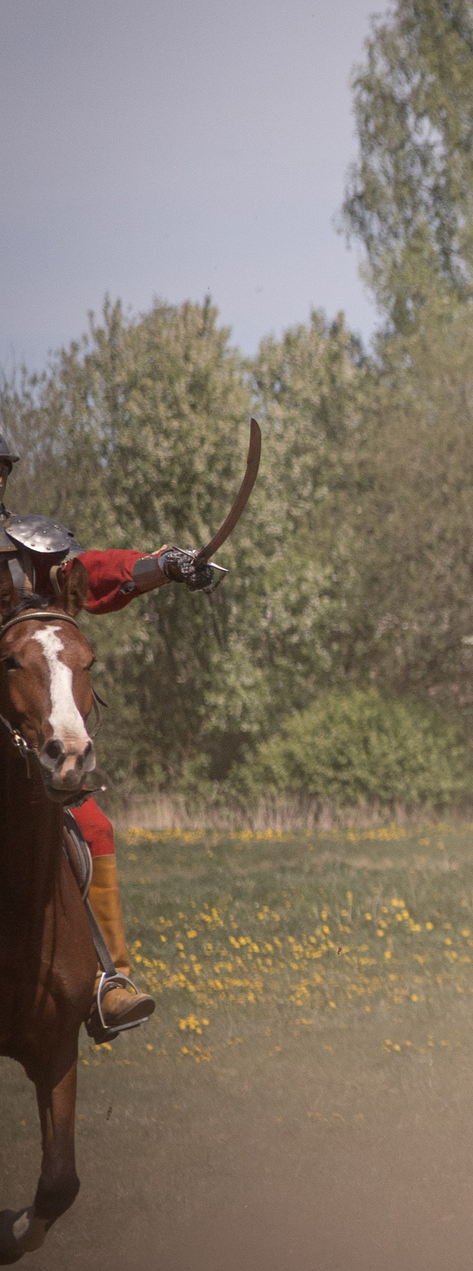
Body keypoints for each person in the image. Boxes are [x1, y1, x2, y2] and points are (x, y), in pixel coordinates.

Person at [0, 429, 223, 1035]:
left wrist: (166, 564)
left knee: (91, 824)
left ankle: (109, 980)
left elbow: (93, 574)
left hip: (20, 726)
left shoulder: (32, 547)